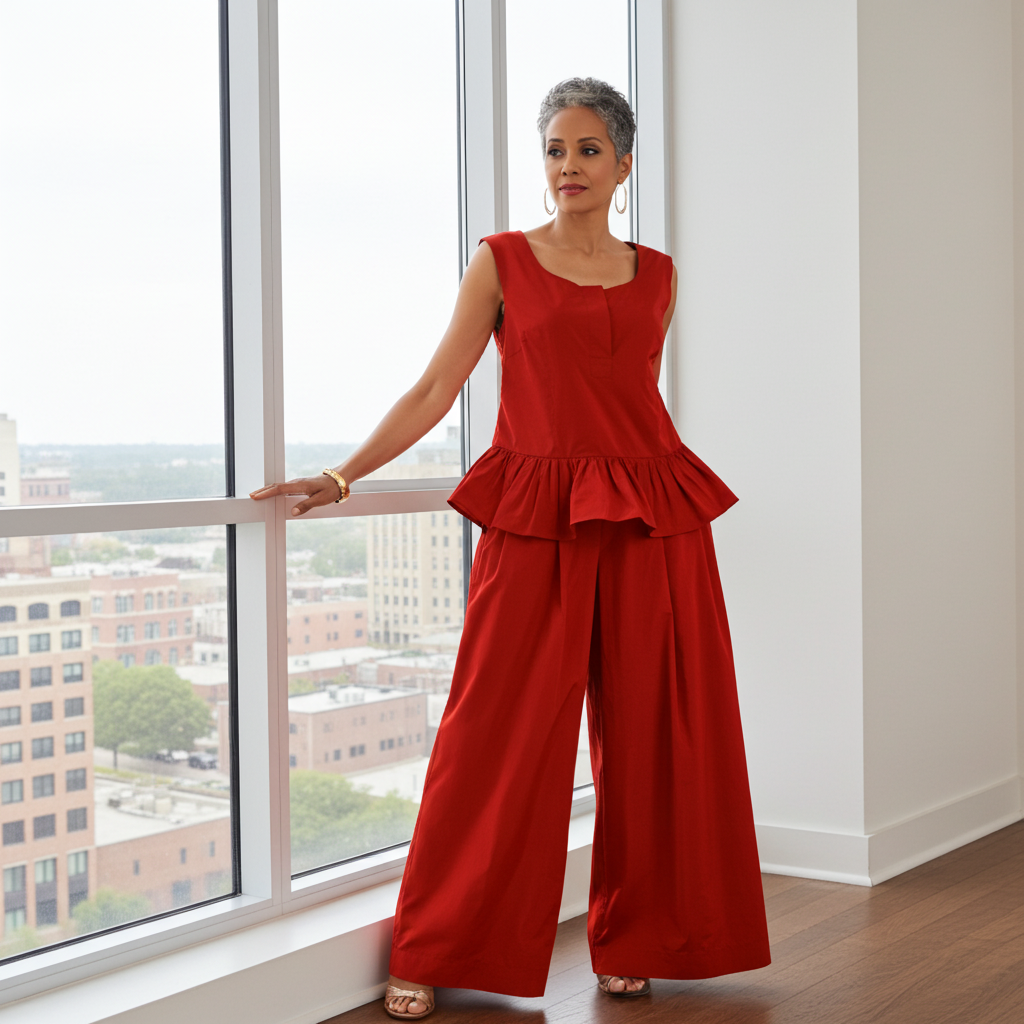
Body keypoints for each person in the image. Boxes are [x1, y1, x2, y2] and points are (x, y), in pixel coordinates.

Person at [251, 77, 770, 1021]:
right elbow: (434, 388)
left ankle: (642, 935)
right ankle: (438, 945)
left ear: (621, 163)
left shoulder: (658, 272)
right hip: (538, 515)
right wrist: (341, 476)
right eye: (553, 151)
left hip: (654, 516)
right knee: (497, 737)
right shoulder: (501, 263)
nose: (566, 166)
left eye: (585, 150)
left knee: (664, 737)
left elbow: (628, 397)